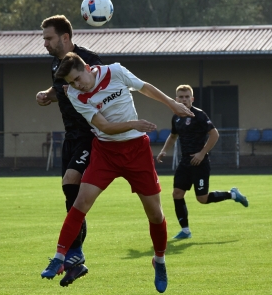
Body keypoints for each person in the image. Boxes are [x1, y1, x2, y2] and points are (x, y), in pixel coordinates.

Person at [40, 52, 195, 293]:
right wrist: (134, 124)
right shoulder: (74, 95)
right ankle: (59, 256)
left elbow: (145, 88)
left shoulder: (115, 72)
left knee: (155, 214)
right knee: (80, 202)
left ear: (87, 68)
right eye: (71, 82)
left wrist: (172, 103)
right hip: (106, 152)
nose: (76, 84)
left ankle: (160, 261)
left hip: (137, 152)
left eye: (77, 78)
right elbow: (104, 127)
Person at [36, 15, 103, 287]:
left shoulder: (89, 59)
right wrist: (46, 95)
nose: (45, 44)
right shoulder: (56, 64)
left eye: (48, 38)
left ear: (65, 37)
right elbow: (60, 89)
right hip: (71, 137)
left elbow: (106, 88)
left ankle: (72, 252)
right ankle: (76, 259)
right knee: (71, 195)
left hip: (90, 135)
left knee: (70, 182)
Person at [156, 84, 249, 240]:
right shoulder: (176, 116)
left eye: (187, 97)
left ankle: (232, 194)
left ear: (192, 99)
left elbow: (214, 135)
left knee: (202, 199)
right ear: (176, 99)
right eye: (181, 97)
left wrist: (201, 153)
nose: (184, 100)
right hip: (185, 162)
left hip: (200, 163)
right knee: (177, 193)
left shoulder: (199, 115)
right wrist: (164, 150)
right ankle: (185, 230)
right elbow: (173, 136)